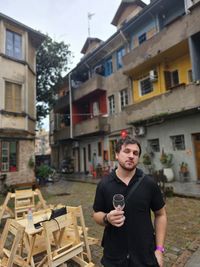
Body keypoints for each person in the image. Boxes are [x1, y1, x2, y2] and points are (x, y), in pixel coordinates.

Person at [93, 136, 167, 267]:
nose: (131, 156)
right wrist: (107, 218)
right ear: (116, 154)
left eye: (135, 153)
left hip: (145, 256)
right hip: (114, 256)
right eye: (126, 151)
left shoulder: (149, 183)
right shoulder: (104, 184)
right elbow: (96, 214)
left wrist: (159, 250)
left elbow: (161, 214)